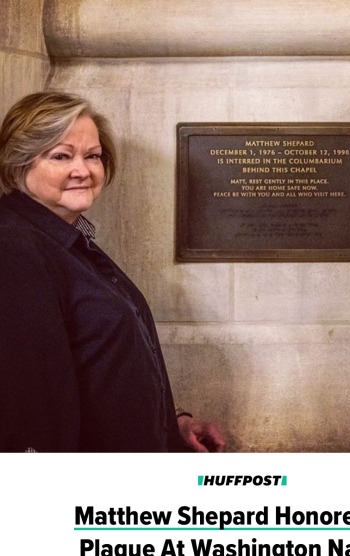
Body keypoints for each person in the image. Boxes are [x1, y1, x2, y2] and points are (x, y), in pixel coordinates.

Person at [0, 91, 225, 453]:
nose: (83, 170)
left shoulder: (65, 239)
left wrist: (173, 424)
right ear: (18, 164)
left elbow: (104, 369)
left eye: (92, 156)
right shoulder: (14, 249)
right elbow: (33, 408)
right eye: (61, 156)